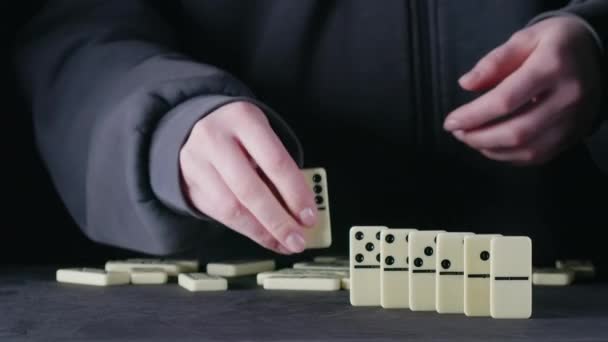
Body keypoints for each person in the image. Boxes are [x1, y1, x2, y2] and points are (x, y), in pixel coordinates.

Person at [13, 1, 608, 268]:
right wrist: (165, 127)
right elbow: (74, 28)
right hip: (256, 303)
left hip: (570, 289)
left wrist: (600, 39)